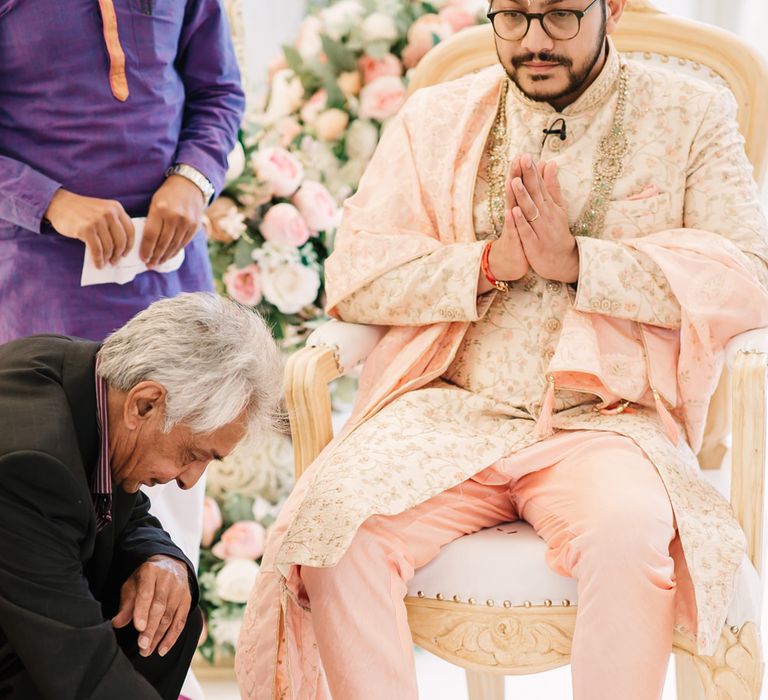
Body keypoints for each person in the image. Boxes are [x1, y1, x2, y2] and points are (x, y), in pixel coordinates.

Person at [236, 1, 768, 699]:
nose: (534, 41)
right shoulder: (436, 117)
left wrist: (580, 261)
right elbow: (357, 276)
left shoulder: (691, 113)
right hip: (448, 409)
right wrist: (490, 263)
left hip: (603, 420)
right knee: (333, 534)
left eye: (560, 17)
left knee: (628, 534)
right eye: (512, 17)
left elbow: (749, 279)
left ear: (610, 9)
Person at [0, 293, 282, 700]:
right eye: (192, 455)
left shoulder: (97, 384)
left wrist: (162, 558)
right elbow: (80, 666)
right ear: (145, 404)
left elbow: (125, 511)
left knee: (168, 606)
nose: (189, 481)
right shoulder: (29, 464)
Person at [0, 0, 244, 342]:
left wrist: (193, 177)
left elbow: (218, 91)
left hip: (175, 270)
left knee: (195, 393)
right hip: (43, 279)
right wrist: (50, 202)